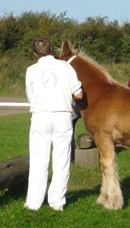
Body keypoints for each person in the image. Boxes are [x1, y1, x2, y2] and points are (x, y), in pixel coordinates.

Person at [24, 37, 83, 211]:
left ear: (35, 53)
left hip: (40, 116)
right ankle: (57, 201)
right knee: (61, 160)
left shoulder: (31, 70)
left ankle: (33, 202)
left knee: (38, 160)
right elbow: (78, 95)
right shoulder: (66, 67)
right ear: (51, 50)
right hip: (62, 116)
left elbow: (30, 96)